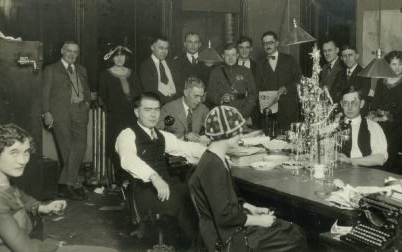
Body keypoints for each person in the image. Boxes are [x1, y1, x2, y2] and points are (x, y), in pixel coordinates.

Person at [0, 124, 117, 252]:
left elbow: (18, 196)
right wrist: (52, 244)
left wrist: (41, 208)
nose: (22, 160)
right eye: (14, 153)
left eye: (26, 152)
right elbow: (26, 249)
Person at [188, 105, 307, 251]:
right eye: (238, 131)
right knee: (295, 235)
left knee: (291, 229)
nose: (241, 135)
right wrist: (258, 220)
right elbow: (224, 217)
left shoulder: (216, 158)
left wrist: (253, 208)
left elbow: (226, 201)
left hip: (228, 228)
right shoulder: (213, 167)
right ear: (226, 133)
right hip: (226, 237)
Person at [115, 92, 205, 243]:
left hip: (166, 187)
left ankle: (207, 243)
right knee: (182, 202)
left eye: (156, 110)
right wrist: (154, 177)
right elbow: (128, 159)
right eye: (147, 110)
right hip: (142, 192)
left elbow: (185, 147)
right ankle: (198, 246)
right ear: (137, 112)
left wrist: (215, 152)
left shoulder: (161, 135)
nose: (153, 115)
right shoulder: (127, 134)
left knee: (198, 193)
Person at [42, 41, 91, 201]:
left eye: (75, 52)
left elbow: (86, 89)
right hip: (60, 113)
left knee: (81, 145)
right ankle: (74, 184)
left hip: (80, 111)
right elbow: (45, 92)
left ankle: (64, 184)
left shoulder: (82, 69)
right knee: (67, 150)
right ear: (62, 50)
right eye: (69, 51)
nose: (72, 54)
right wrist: (46, 112)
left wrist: (87, 103)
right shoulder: (51, 69)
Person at [98, 45, 143, 182]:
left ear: (126, 57)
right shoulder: (105, 75)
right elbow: (102, 97)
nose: (119, 58)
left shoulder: (133, 73)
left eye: (122, 55)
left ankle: (134, 177)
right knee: (116, 146)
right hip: (115, 117)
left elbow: (139, 95)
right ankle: (121, 179)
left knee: (133, 144)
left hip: (132, 116)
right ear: (112, 58)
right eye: (116, 56)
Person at [368, 50, 402, 171]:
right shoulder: (382, 81)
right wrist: (372, 113)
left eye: (400, 64)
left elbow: (401, 106)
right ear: (388, 65)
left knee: (387, 140)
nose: (397, 68)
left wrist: (381, 118)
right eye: (393, 64)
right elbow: (375, 102)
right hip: (380, 118)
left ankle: (385, 168)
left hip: (396, 120)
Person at [255, 31, 302, 130]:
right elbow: (258, 87)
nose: (268, 45)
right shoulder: (260, 64)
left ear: (277, 43)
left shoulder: (289, 60)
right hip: (269, 112)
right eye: (265, 43)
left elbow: (300, 81)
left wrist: (286, 88)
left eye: (271, 42)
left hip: (289, 110)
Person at [339, 88, 388, 167]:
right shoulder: (333, 126)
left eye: (354, 103)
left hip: (364, 174)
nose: (349, 108)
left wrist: (350, 160)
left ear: (361, 104)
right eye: (346, 103)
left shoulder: (373, 127)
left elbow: (380, 158)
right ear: (341, 104)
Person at [207, 43, 257, 119]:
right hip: (222, 114)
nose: (230, 58)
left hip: (242, 113)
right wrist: (221, 98)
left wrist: (245, 112)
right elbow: (209, 94)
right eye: (227, 55)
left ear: (237, 55)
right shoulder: (215, 72)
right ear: (223, 56)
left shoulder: (246, 71)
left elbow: (253, 93)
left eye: (233, 55)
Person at [157, 76, 210, 142]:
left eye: (201, 96)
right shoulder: (168, 109)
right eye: (196, 96)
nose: (199, 100)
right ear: (186, 93)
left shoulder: (202, 108)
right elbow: (157, 135)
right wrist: (184, 137)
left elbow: (212, 125)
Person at [139, 35, 182, 105]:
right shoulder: (145, 66)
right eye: (161, 48)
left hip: (176, 103)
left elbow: (180, 84)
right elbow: (150, 91)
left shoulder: (172, 63)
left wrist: (176, 101)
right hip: (159, 104)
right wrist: (169, 101)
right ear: (152, 47)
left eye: (166, 48)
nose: (164, 52)